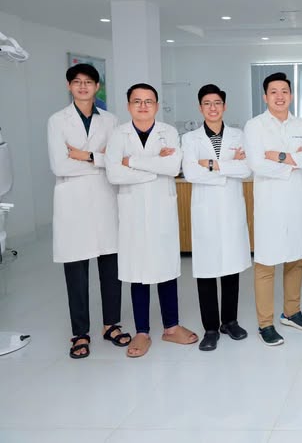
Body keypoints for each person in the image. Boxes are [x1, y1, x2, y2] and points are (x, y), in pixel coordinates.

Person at [106, 83, 197, 358]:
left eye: (148, 101)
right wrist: (155, 165)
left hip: (161, 210)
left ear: (156, 105)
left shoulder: (168, 132)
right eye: (137, 101)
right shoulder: (118, 134)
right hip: (132, 211)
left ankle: (172, 327)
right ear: (128, 106)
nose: (143, 106)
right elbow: (113, 174)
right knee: (138, 272)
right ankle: (142, 332)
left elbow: (172, 167)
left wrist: (132, 161)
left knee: (166, 268)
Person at [47, 63, 131, 359]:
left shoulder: (111, 120)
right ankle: (80, 333)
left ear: (97, 87)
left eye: (88, 82)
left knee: (110, 268)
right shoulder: (57, 121)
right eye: (77, 81)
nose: (82, 86)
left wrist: (83, 155)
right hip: (72, 202)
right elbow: (59, 165)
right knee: (76, 272)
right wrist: (99, 159)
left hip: (105, 198)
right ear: (69, 86)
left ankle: (111, 325)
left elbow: (117, 160)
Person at [244, 72, 302, 346]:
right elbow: (256, 163)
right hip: (269, 205)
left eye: (284, 91)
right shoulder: (254, 126)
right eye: (274, 92)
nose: (279, 96)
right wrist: (294, 162)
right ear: (265, 96)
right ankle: (265, 323)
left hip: (296, 203)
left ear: (291, 95)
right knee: (266, 263)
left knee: (296, 259)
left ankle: (291, 312)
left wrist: (278, 156)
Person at [181, 84, 252, 351]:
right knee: (207, 270)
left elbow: (246, 169)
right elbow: (191, 173)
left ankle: (230, 321)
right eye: (207, 103)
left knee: (231, 267)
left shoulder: (238, 135)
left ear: (224, 106)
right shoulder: (190, 139)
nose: (213, 108)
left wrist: (210, 164)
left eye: (217, 103)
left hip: (231, 209)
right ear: (200, 108)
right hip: (205, 211)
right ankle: (210, 328)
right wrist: (228, 168)